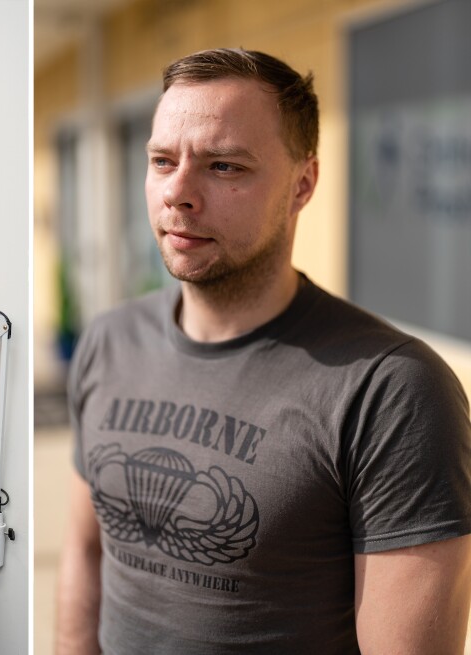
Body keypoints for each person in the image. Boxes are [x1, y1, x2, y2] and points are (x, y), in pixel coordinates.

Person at [56, 48, 471, 655]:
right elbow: (85, 555)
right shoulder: (107, 341)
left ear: (302, 184)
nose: (178, 192)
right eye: (162, 160)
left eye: (224, 166)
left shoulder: (391, 391)